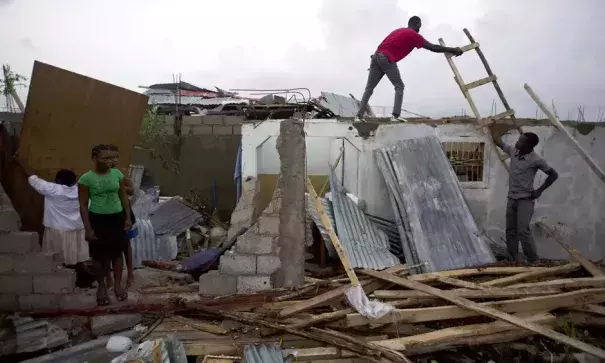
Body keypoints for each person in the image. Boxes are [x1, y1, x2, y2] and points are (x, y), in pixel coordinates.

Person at [355, 16, 464, 123]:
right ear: (417, 24)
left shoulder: (398, 30)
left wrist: (376, 59)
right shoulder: (414, 35)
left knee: (369, 88)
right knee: (399, 86)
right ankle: (395, 116)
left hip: (376, 56)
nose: (420, 27)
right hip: (386, 58)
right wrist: (454, 50)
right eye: (420, 24)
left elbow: (383, 44)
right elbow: (433, 48)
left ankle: (358, 117)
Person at [490, 125, 559, 264]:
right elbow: (499, 142)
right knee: (510, 230)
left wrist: (539, 190)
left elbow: (553, 174)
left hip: (525, 200)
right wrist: (493, 127)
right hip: (512, 198)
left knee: (523, 231)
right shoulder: (514, 151)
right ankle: (513, 258)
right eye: (518, 140)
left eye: (521, 141)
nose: (517, 142)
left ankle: (533, 260)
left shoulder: (536, 160)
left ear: (529, 145)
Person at [78, 144, 132, 306]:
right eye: (105, 158)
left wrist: (127, 217)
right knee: (98, 257)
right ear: (94, 158)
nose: (110, 161)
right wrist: (88, 228)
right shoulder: (86, 179)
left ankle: (117, 285)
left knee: (117, 253)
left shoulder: (117, 174)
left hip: (117, 218)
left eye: (113, 158)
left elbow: (123, 197)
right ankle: (101, 287)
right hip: (98, 219)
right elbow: (83, 204)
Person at [15, 155, 89, 265]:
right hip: (77, 230)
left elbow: (33, 178)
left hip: (56, 230)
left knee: (55, 261)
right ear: (75, 180)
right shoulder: (82, 191)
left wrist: (19, 161)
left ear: (58, 180)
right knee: (76, 259)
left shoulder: (52, 189)